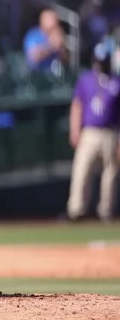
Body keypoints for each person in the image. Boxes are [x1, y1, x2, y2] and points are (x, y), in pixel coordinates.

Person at [67, 38, 120, 223]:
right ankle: (76, 210)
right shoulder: (86, 80)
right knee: (82, 169)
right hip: (89, 131)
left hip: (111, 133)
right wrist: (75, 129)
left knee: (110, 173)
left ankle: (106, 211)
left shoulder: (116, 81)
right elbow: (77, 106)